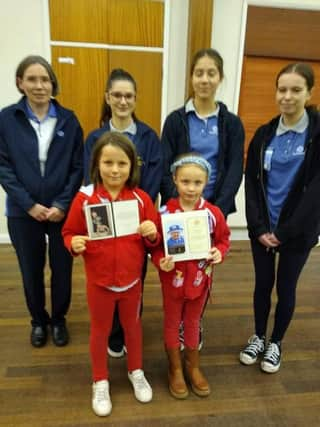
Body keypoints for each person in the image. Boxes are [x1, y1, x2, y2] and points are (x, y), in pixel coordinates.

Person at [62, 131, 160, 416]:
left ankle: (136, 371)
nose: (114, 170)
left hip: (131, 282)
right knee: (100, 331)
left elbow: (154, 241)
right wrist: (73, 243)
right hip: (99, 283)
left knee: (133, 327)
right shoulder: (85, 198)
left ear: (132, 166)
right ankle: (100, 380)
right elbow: (69, 232)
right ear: (97, 163)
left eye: (122, 164)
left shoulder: (141, 199)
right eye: (108, 162)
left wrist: (152, 234)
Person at [160, 47, 244, 349]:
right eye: (199, 73)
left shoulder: (232, 124)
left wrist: (214, 210)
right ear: (191, 77)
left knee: (204, 266)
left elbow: (235, 167)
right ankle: (177, 321)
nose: (204, 79)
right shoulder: (175, 121)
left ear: (220, 78)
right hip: (180, 209)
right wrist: (179, 208)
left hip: (213, 210)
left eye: (211, 73)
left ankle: (193, 321)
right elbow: (164, 163)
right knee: (180, 263)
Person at [239, 63, 320, 374]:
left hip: (297, 234)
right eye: (282, 90)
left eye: (296, 90)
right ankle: (258, 336)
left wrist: (284, 232)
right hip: (263, 230)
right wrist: (259, 227)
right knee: (262, 285)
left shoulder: (317, 134)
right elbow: (252, 182)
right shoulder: (264, 134)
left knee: (286, 288)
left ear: (309, 93)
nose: (288, 96)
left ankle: (276, 342)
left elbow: (315, 194)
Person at [0, 55, 83, 348]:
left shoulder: (69, 120)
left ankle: (59, 320)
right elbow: (3, 168)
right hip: (23, 213)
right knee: (30, 270)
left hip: (63, 212)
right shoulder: (6, 119)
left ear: (52, 84)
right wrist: (29, 205)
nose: (39, 85)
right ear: (20, 83)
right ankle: (39, 321)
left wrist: (62, 204)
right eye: (32, 79)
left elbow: (77, 167)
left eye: (45, 79)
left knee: (62, 269)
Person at [84, 68, 162, 358]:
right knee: (105, 273)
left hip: (136, 218)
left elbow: (153, 178)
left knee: (134, 274)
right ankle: (109, 329)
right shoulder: (94, 137)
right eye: (117, 95)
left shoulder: (149, 137)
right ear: (108, 97)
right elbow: (89, 177)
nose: (122, 100)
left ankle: (128, 327)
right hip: (102, 217)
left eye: (128, 95)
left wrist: (138, 206)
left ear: (135, 99)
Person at [152, 153, 230, 399]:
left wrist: (220, 252)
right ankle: (175, 368)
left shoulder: (213, 213)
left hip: (199, 281)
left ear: (206, 182)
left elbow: (223, 239)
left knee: (194, 323)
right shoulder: (164, 213)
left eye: (197, 183)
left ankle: (192, 365)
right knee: (172, 323)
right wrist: (159, 261)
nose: (191, 188)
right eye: (185, 181)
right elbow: (154, 246)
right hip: (173, 282)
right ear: (175, 180)